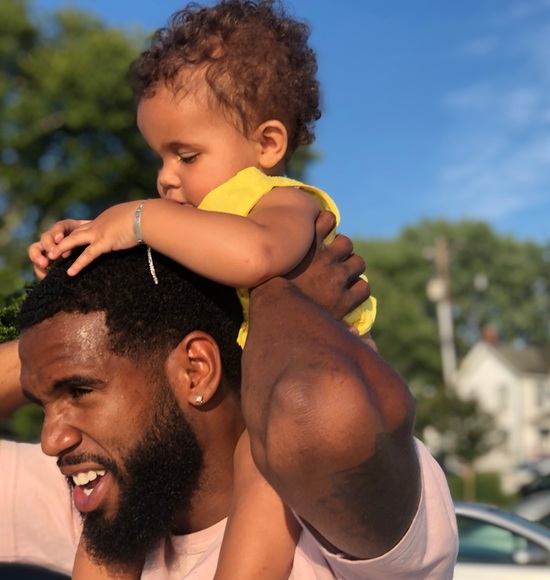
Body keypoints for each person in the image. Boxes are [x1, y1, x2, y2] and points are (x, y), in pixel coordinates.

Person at [28, 1, 378, 577]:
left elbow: (254, 255)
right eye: (160, 157)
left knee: (259, 461)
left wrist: (139, 218)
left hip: (315, 387)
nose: (166, 177)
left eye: (186, 155)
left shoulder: (281, 201)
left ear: (267, 144)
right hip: (264, 382)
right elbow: (152, 273)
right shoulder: (199, 218)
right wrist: (85, 243)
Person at [0, 212, 458, 578]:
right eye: (43, 402)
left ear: (196, 370)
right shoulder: (101, 496)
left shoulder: (328, 524)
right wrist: (55, 342)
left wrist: (272, 287)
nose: (51, 441)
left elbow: (317, 407)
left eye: (80, 390)